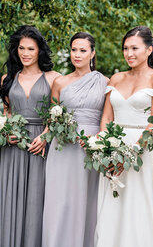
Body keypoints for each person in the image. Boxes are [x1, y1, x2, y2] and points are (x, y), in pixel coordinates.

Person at [94, 26, 153, 247]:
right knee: (115, 203)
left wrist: (130, 155)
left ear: (149, 50)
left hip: (143, 152)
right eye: (126, 48)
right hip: (114, 147)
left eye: (135, 48)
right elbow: (106, 118)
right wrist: (106, 149)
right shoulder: (116, 78)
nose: (129, 53)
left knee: (141, 205)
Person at [0, 25, 61, 247]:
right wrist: (5, 133)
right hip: (13, 145)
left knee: (37, 200)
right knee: (12, 199)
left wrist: (46, 135)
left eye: (30, 49)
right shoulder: (8, 78)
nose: (25, 53)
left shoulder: (53, 78)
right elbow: (7, 113)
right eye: (21, 48)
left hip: (40, 144)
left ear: (39, 51)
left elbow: (58, 113)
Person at [42, 32, 108, 247]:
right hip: (62, 147)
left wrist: (97, 140)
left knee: (86, 200)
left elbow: (108, 119)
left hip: (90, 147)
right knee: (59, 199)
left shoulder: (105, 82)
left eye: (83, 50)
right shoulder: (60, 82)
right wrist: (46, 136)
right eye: (74, 50)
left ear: (93, 53)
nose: (77, 55)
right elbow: (52, 117)